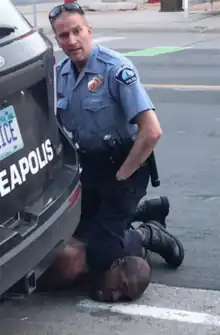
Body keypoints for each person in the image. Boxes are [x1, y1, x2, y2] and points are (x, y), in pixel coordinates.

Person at [41, 3, 185, 301]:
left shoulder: (116, 69)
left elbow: (152, 131)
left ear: (89, 30)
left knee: (101, 252)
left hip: (126, 168)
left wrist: (123, 174)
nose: (71, 41)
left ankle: (148, 233)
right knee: (73, 234)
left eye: (76, 31)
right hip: (91, 168)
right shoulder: (62, 75)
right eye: (63, 35)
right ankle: (138, 211)